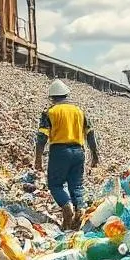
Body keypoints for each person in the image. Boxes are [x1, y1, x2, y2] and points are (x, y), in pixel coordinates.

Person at [34, 79, 99, 230]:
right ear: (66, 95)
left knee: (55, 184)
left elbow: (42, 137)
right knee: (76, 184)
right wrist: (94, 155)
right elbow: (90, 134)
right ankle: (80, 209)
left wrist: (38, 158)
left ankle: (66, 206)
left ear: (52, 97)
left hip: (59, 152)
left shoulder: (50, 112)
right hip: (79, 152)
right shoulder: (79, 111)